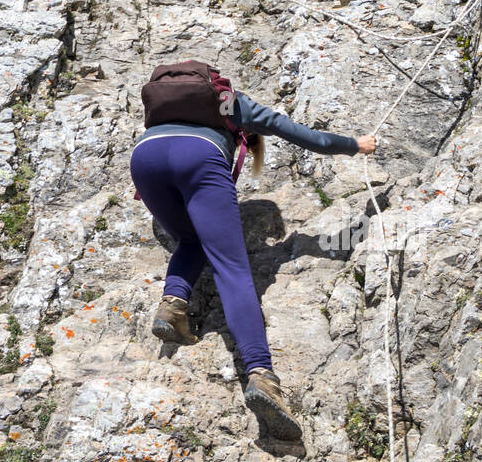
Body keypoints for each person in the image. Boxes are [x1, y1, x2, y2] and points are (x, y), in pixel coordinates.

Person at [130, 72, 376, 440]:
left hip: (144, 157)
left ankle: (173, 304)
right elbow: (303, 134)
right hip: (200, 156)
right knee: (232, 269)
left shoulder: (164, 111)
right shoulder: (231, 103)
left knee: (190, 240)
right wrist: (355, 144)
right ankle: (261, 375)